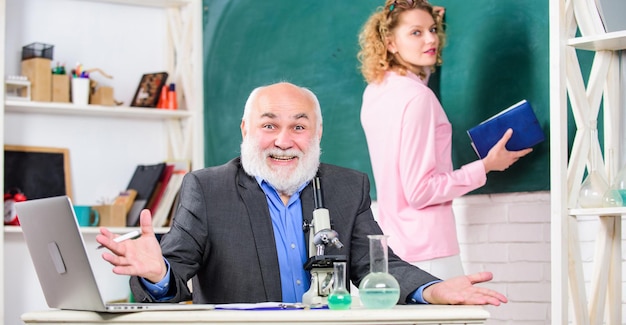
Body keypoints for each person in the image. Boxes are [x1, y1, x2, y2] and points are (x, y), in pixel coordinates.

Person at [96, 81, 507, 306]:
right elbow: (169, 276)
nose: (284, 140)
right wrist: (157, 274)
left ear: (317, 134)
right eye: (269, 125)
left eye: (299, 126)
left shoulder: (348, 187)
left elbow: (377, 266)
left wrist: (431, 289)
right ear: (246, 131)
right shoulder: (207, 188)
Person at [357, 0, 533, 280]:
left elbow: (414, 86)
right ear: (390, 43)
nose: (431, 39)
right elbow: (421, 191)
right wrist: (486, 166)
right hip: (430, 252)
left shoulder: (376, 92)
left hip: (396, 247)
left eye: (433, 30)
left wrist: (420, 31)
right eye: (416, 32)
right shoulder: (418, 98)